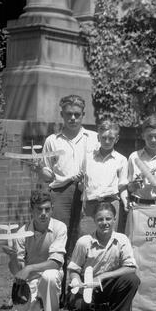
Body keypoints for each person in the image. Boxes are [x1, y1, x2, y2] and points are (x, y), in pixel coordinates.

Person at [67, 202, 140, 311]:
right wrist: (77, 281)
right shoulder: (84, 242)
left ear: (114, 220)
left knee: (132, 279)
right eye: (100, 219)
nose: (104, 223)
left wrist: (101, 277)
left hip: (109, 284)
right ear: (94, 221)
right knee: (79, 306)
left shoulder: (122, 240)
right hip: (88, 285)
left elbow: (131, 267)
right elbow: (73, 269)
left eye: (108, 219)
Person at [39, 95, 98, 255]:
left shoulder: (94, 138)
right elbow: (47, 175)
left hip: (88, 191)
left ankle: (78, 276)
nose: (73, 118)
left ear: (83, 115)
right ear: (62, 115)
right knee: (60, 236)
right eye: (68, 114)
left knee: (85, 236)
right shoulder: (52, 140)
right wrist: (40, 169)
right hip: (61, 193)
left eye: (77, 114)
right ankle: (59, 276)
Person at [1, 190, 67, 311]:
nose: (43, 213)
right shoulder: (22, 232)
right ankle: (39, 308)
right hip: (30, 282)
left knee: (49, 275)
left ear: (52, 210)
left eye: (47, 209)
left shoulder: (59, 227)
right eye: (39, 209)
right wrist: (13, 257)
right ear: (32, 210)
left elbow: (56, 263)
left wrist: (29, 268)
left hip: (51, 278)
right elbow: (18, 272)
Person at [79, 120, 128, 236]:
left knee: (109, 240)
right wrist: (80, 185)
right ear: (98, 137)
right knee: (87, 239)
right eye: (104, 137)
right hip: (90, 205)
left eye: (111, 138)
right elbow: (82, 185)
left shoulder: (121, 160)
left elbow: (122, 186)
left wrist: (126, 203)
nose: (107, 141)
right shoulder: (87, 158)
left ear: (116, 139)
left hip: (111, 204)